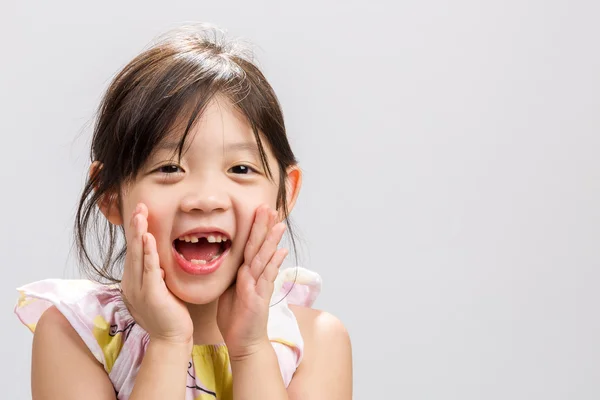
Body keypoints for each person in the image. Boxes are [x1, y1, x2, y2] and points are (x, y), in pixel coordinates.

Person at [14, 24, 352, 399]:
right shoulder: (74, 334)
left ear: (285, 193)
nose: (206, 199)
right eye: (169, 168)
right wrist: (168, 342)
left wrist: (250, 349)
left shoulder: (314, 342)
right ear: (109, 194)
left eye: (240, 169)